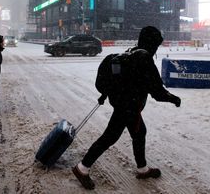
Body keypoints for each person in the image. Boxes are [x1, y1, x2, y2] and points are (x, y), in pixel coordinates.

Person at [72, 26, 181, 190]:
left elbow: (121, 78)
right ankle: (82, 168)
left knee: (139, 133)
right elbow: (157, 91)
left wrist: (108, 93)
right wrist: (173, 99)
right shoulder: (144, 58)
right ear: (151, 43)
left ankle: (142, 169)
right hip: (129, 106)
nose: (156, 48)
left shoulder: (130, 52)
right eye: (156, 45)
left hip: (126, 104)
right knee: (110, 137)